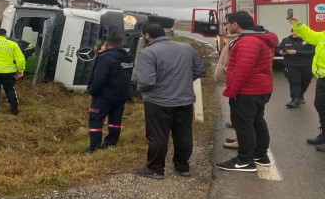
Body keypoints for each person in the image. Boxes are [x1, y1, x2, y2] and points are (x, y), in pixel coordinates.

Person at [133, 23, 205, 179]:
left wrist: (140, 92)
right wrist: (183, 81)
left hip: (158, 102)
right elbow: (200, 70)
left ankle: (155, 169)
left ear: (146, 36)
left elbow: (146, 82)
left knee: (158, 136)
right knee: (183, 135)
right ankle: (182, 166)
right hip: (185, 100)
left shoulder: (146, 53)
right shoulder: (187, 48)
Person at [216, 11, 278, 172]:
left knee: (243, 125)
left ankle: (244, 160)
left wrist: (231, 91)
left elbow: (242, 70)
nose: (227, 26)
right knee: (257, 121)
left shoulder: (247, 41)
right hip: (260, 88)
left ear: (235, 24)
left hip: (248, 90)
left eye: (228, 23)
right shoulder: (260, 38)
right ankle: (260, 155)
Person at [85, 35, 134, 153]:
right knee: (115, 120)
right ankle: (111, 142)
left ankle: (95, 146)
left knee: (96, 119)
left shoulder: (105, 58)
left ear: (106, 45)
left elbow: (99, 78)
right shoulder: (128, 57)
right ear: (121, 44)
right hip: (121, 94)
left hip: (104, 95)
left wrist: (93, 91)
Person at [289, 17, 325, 151]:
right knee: (320, 104)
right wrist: (298, 24)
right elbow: (309, 35)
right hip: (322, 78)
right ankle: (324, 135)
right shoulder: (322, 35)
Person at [277, 29, 315, 108]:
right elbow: (279, 48)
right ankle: (294, 99)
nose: (294, 33)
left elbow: (312, 52)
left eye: (296, 31)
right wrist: (281, 52)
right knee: (294, 82)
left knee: (305, 82)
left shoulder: (309, 40)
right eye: (292, 31)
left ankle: (300, 95)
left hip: (306, 65)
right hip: (291, 65)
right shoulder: (286, 40)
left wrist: (297, 52)